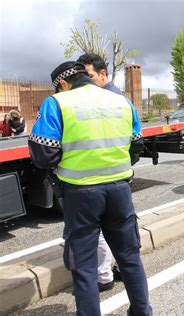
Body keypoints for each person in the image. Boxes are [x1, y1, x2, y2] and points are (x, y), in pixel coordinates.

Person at [28, 61, 152, 316]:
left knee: (84, 267)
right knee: (129, 257)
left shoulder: (58, 103)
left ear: (63, 83)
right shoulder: (122, 102)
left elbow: (43, 154)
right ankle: (142, 312)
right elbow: (137, 145)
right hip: (120, 190)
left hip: (80, 193)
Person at [77, 53, 125, 290]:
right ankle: (119, 269)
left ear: (103, 73)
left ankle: (105, 274)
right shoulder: (109, 97)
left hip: (106, 179)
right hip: (114, 178)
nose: (85, 82)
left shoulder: (110, 98)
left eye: (90, 76)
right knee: (115, 230)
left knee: (103, 232)